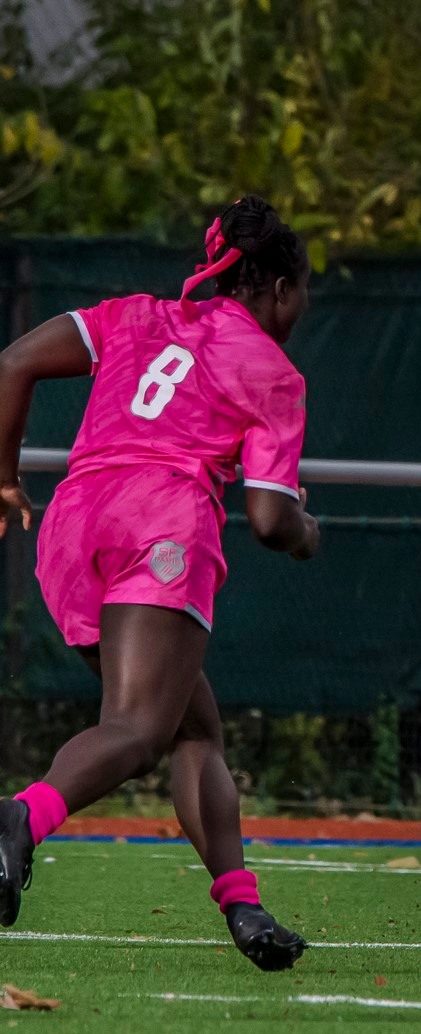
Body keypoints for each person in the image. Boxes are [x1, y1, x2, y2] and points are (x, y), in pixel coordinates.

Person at [0, 196, 319, 971]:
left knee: (191, 726)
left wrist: (1, 480)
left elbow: (13, 362)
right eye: (302, 291)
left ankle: (243, 906)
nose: (302, 307)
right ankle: (17, 818)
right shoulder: (273, 372)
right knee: (139, 729)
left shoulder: (137, 315)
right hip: (162, 525)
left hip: (74, 528)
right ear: (277, 286)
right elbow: (273, 520)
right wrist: (310, 533)